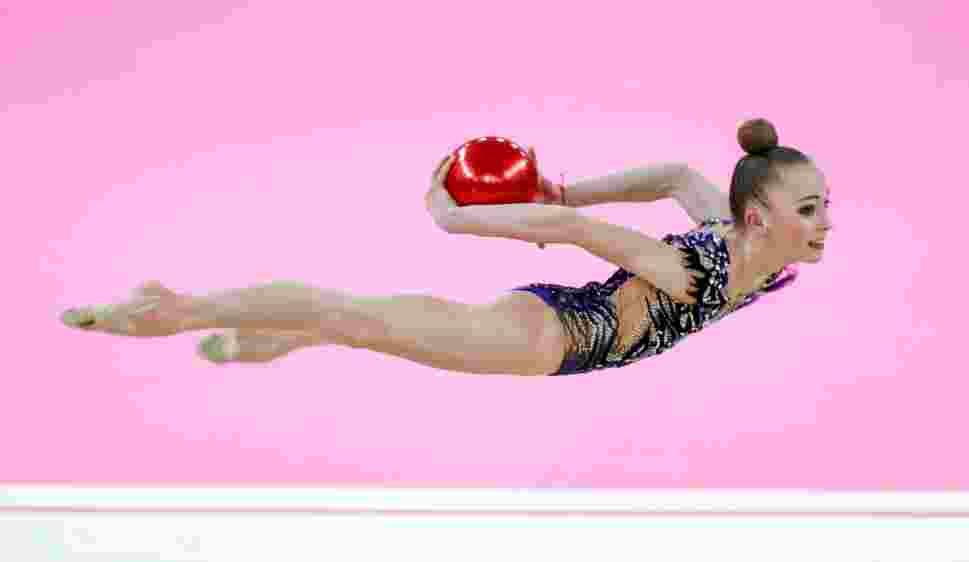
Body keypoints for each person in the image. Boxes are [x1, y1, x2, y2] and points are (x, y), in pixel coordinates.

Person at [59, 118, 832, 376]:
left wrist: (570, 187)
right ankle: (173, 306)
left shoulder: (741, 235)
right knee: (353, 311)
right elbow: (579, 234)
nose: (825, 222)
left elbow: (676, 174)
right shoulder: (702, 267)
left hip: (554, 319)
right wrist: (455, 221)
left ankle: (271, 340)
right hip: (541, 339)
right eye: (808, 208)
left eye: (825, 205)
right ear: (757, 217)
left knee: (367, 321)